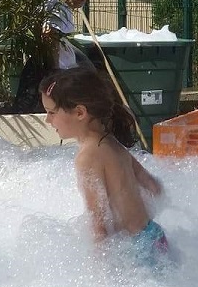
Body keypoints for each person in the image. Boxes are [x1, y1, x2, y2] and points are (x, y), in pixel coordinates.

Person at [40, 65, 170, 268]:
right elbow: (153, 186)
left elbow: (98, 224)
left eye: (51, 112)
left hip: (136, 252)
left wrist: (101, 275)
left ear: (80, 112)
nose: (47, 120)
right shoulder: (112, 142)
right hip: (153, 236)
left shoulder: (87, 157)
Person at [13, 0, 93, 113]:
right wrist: (54, 73)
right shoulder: (56, 7)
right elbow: (49, 34)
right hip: (50, 75)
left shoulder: (63, 7)